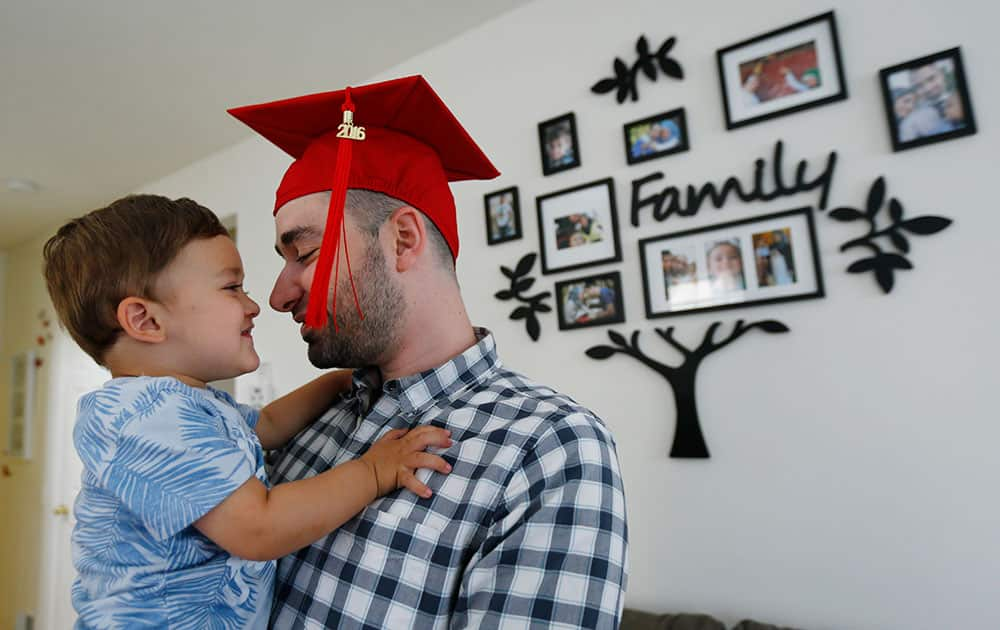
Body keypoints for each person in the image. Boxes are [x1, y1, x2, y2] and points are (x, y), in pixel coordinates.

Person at [228, 75, 629, 628]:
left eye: (305, 252)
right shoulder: (301, 424)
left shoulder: (548, 449)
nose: (276, 296)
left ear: (403, 239)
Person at [42, 195, 453, 629]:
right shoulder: (142, 416)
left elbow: (268, 425)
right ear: (145, 321)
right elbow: (258, 527)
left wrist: (337, 381)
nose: (254, 305)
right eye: (231, 287)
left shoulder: (189, 405)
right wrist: (373, 472)